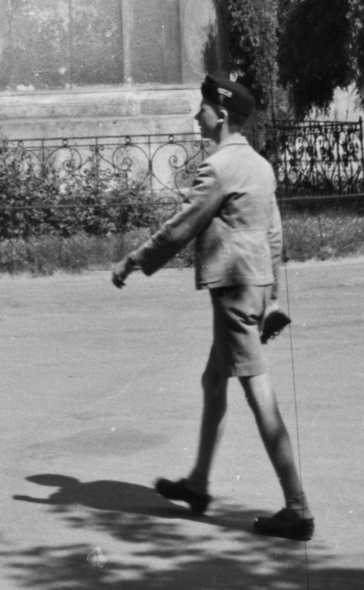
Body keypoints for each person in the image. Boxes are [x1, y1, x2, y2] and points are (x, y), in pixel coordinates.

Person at [111, 75, 314, 541]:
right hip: (255, 285)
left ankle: (297, 508)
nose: (195, 114)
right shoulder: (260, 166)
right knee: (213, 379)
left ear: (220, 115)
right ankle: (199, 485)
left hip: (233, 290)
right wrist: (275, 295)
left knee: (259, 392)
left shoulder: (220, 168)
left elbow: (182, 226)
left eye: (201, 107)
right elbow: (275, 234)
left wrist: (134, 261)